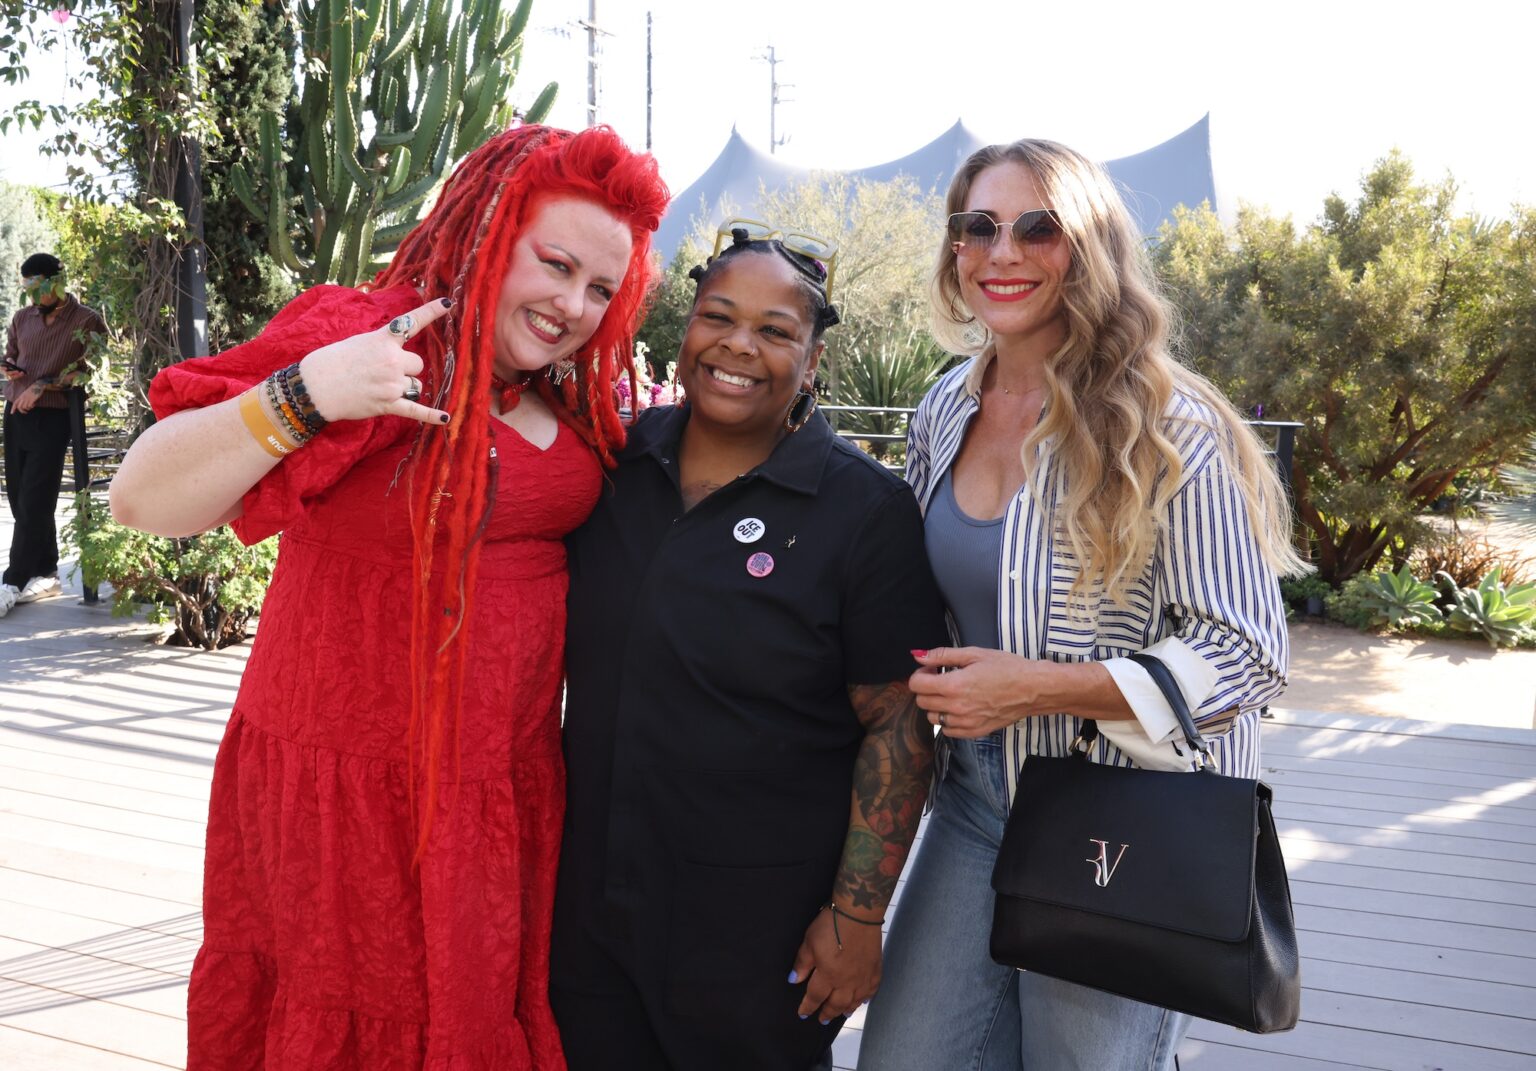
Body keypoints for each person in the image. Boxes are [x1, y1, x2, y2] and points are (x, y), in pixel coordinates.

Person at [107, 124, 670, 1069]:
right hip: (343, 797)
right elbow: (141, 496)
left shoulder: (563, 394)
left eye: (601, 289)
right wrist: (310, 392)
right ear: (491, 227)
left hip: (500, 793)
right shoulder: (368, 336)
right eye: (556, 263)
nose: (573, 305)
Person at [855, 139, 1305, 1070]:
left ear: (1090, 247)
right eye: (977, 226)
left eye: (1038, 228)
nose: (1001, 252)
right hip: (976, 799)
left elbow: (1249, 651)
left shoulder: (1170, 425)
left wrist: (1039, 689)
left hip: (1120, 819)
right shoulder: (945, 408)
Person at [551, 226, 948, 1071]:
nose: (738, 345)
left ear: (812, 362)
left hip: (756, 937)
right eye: (717, 317)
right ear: (685, 329)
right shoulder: (614, 461)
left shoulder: (865, 512)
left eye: (776, 331)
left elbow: (900, 728)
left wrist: (855, 918)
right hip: (588, 914)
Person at [1, 252, 107, 616]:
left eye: (38, 288)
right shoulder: (21, 317)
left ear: (56, 281)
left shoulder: (87, 320)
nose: (33, 296)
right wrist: (11, 370)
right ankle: (46, 572)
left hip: (54, 415)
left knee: (36, 497)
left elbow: (89, 370)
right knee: (18, 497)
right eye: (27, 288)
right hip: (15, 412)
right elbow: (13, 353)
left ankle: (11, 581)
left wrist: (43, 385)